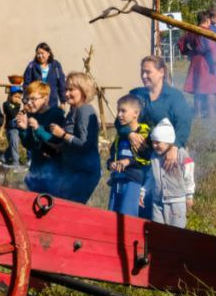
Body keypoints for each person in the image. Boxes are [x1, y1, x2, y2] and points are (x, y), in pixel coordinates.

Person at [129, 55, 193, 179]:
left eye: (148, 72)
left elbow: (183, 124)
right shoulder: (136, 95)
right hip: (140, 155)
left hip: (167, 154)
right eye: (142, 72)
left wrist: (175, 146)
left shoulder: (174, 97)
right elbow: (120, 120)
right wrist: (129, 134)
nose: (144, 76)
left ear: (161, 72)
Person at [47, 72, 102, 203]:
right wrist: (59, 147)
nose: (66, 94)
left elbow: (85, 144)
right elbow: (73, 142)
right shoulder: (73, 110)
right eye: (66, 89)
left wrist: (63, 135)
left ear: (83, 91)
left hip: (83, 172)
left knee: (71, 210)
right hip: (72, 170)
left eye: (71, 90)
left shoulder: (85, 110)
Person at [107, 95, 152, 217]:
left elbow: (148, 159)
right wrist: (110, 163)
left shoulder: (144, 134)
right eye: (118, 111)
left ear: (135, 113)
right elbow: (112, 155)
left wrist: (129, 161)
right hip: (117, 179)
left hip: (133, 180)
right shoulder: (121, 135)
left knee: (127, 216)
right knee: (112, 216)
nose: (119, 115)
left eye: (123, 111)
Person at [144, 120, 194, 228]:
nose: (154, 145)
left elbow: (188, 175)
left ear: (167, 142)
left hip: (176, 201)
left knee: (176, 230)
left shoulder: (181, 154)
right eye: (153, 142)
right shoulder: (154, 156)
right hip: (157, 201)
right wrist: (144, 191)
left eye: (158, 142)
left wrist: (189, 194)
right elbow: (151, 177)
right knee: (158, 230)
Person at [16, 81, 63, 194]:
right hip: (36, 169)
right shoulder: (33, 114)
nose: (29, 103)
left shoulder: (56, 113)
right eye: (27, 99)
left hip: (53, 171)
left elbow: (56, 142)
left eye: (33, 99)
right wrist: (23, 129)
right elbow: (29, 145)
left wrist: (38, 129)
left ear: (45, 99)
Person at [180, 11, 216, 117]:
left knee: (197, 89)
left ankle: (197, 113)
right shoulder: (207, 32)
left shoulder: (191, 31)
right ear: (207, 21)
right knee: (210, 90)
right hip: (207, 62)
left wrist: (188, 53)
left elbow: (181, 43)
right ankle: (211, 114)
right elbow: (212, 49)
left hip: (195, 61)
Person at [22, 43, 67, 111]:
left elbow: (61, 83)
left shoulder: (56, 65)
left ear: (48, 53)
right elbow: (26, 85)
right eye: (38, 53)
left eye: (42, 53)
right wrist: (25, 101)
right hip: (35, 103)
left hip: (52, 102)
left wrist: (63, 101)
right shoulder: (32, 66)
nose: (40, 56)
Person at [1, 85, 23, 166]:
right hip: (11, 129)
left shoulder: (18, 105)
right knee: (14, 145)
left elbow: (19, 114)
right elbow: (12, 114)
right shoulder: (6, 104)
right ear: (10, 96)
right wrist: (18, 108)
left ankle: (3, 158)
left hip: (17, 127)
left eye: (19, 97)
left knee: (12, 145)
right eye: (16, 96)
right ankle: (15, 163)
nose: (18, 99)